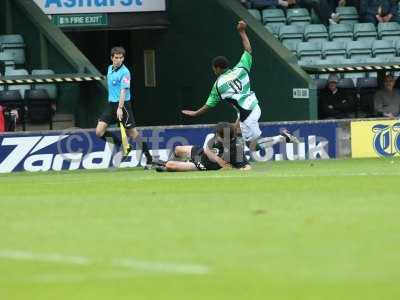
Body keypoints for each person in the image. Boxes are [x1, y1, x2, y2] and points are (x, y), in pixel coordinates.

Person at [182, 20, 298, 154]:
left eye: (214, 68)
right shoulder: (241, 68)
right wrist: (242, 32)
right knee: (234, 131)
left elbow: (209, 105)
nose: (214, 70)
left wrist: (196, 113)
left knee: (253, 146)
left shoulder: (218, 85)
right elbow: (248, 50)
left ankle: (282, 138)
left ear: (218, 68)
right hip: (253, 106)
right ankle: (232, 156)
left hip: (247, 113)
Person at [95, 46, 153, 167]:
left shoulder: (125, 72)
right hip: (111, 105)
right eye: (116, 58)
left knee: (133, 134)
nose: (119, 60)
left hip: (123, 105)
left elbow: (123, 91)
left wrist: (120, 108)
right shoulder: (109, 68)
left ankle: (149, 158)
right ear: (112, 58)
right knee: (99, 131)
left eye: (121, 58)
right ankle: (124, 146)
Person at [155, 122, 251, 172]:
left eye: (217, 134)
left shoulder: (236, 148)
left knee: (170, 165)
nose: (215, 135)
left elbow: (247, 166)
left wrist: (243, 169)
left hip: (204, 165)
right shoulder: (214, 137)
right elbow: (207, 150)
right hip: (201, 153)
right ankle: (167, 163)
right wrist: (219, 160)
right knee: (177, 149)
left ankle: (166, 166)